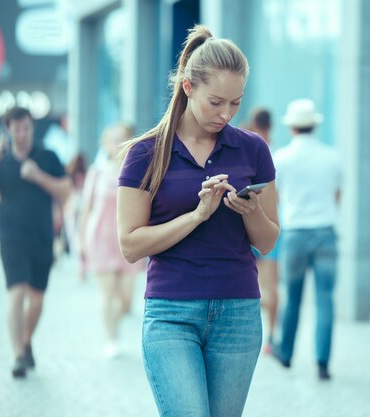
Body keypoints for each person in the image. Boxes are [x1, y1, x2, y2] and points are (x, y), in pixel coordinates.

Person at [117, 25, 279, 416]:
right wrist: (196, 215)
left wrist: (251, 210)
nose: (226, 114)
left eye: (236, 104)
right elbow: (130, 245)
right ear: (188, 87)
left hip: (238, 312)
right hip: (171, 312)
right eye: (216, 102)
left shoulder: (253, 150)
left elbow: (269, 241)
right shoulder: (145, 154)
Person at [0, 106, 72, 378]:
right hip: (10, 237)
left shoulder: (47, 157)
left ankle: (25, 342)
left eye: (26, 127)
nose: (22, 133)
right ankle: (17, 356)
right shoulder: (1, 163)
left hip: (41, 237)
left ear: (31, 127)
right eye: (16, 128)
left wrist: (37, 175)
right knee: (16, 293)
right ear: (8, 130)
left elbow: (66, 191)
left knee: (37, 299)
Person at [271, 98, 342, 381]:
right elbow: (338, 196)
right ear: (314, 125)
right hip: (326, 232)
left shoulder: (282, 158)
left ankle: (286, 353)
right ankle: (323, 362)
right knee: (326, 299)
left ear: (292, 128)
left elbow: (274, 198)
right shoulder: (332, 156)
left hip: (295, 233)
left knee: (293, 297)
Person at [78, 123, 143, 358]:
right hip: (100, 238)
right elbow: (86, 209)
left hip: (126, 239)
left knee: (126, 299)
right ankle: (111, 338)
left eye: (121, 138)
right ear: (105, 144)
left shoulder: (136, 170)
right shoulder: (96, 172)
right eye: (112, 139)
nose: (116, 143)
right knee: (108, 293)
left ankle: (115, 327)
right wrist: (80, 243)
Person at [245, 107, 279, 354]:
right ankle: (270, 335)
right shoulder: (274, 151)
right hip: (274, 223)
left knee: (254, 283)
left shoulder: (248, 148)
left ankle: (258, 332)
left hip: (249, 221)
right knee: (270, 284)